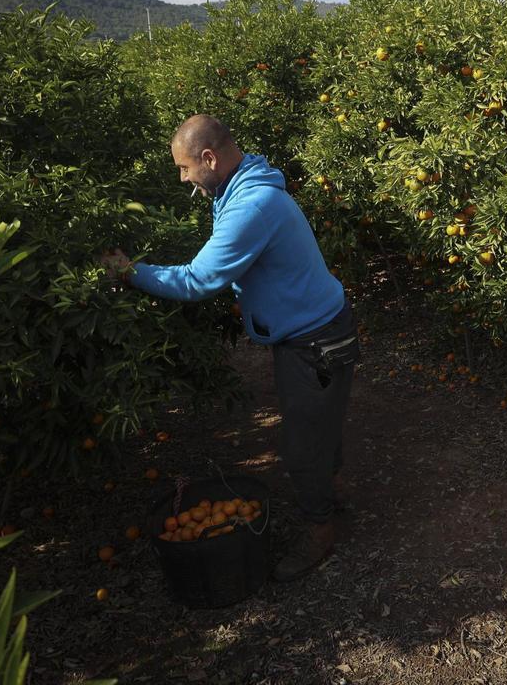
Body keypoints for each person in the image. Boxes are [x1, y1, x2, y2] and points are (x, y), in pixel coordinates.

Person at [103, 114, 358, 580]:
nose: (183, 180)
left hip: (315, 341)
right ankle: (332, 487)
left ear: (209, 158)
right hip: (318, 328)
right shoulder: (243, 183)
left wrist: (129, 271)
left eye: (184, 169)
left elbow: (199, 279)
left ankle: (319, 527)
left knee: (302, 443)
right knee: (319, 421)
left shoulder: (251, 205)